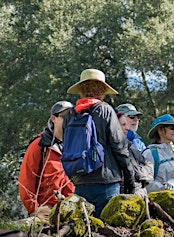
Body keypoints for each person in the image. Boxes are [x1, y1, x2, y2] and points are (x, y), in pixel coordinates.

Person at [64, 69, 136, 217]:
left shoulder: (70, 114)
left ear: (81, 90)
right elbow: (119, 147)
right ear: (103, 90)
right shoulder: (106, 111)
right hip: (106, 182)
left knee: (83, 228)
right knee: (107, 229)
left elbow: (66, 147)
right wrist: (129, 176)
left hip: (81, 180)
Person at [18, 101, 75, 223]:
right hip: (44, 209)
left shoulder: (71, 146)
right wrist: (35, 208)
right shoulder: (39, 146)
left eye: (72, 116)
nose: (69, 120)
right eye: (65, 117)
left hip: (65, 208)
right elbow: (25, 180)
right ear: (53, 119)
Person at [143, 114, 174, 193]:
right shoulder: (149, 154)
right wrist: (163, 187)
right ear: (160, 131)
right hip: (157, 202)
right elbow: (145, 184)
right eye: (171, 127)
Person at [117, 112, 153, 196]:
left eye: (137, 117)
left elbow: (150, 167)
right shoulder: (108, 150)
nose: (127, 128)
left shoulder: (132, 146)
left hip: (140, 196)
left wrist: (136, 173)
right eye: (132, 116)